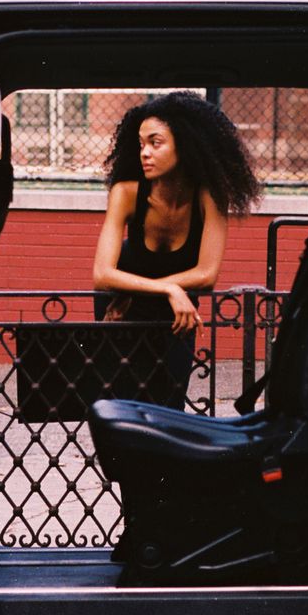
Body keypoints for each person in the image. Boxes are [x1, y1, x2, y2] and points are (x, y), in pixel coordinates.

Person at [91, 91, 261, 391]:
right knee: (119, 398)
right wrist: (170, 288)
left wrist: (167, 292)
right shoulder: (126, 192)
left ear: (187, 144)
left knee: (170, 400)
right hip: (121, 306)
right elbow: (103, 275)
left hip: (176, 310)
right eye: (141, 144)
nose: (144, 152)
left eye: (156, 143)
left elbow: (207, 275)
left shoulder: (210, 196)